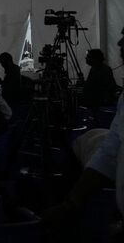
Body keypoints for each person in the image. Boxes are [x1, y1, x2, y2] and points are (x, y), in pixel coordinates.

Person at [43, 28, 124, 227]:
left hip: (96, 106)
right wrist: (71, 204)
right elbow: (110, 151)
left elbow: (109, 152)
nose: (120, 44)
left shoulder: (99, 72)